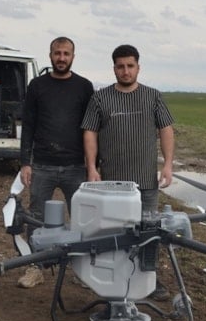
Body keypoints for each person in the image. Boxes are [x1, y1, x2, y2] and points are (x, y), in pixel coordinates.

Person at [81, 44, 175, 300]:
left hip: (146, 182)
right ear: (114, 69)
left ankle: (148, 280)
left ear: (138, 68)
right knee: (114, 232)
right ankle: (112, 278)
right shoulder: (100, 98)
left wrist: (168, 164)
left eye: (130, 66)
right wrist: (92, 167)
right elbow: (90, 132)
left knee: (148, 233)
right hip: (113, 185)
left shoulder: (153, 97)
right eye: (120, 66)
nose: (125, 71)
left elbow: (166, 129)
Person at [18, 36, 94, 288]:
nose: (61, 58)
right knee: (36, 218)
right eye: (57, 53)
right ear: (50, 55)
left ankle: (82, 269)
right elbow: (28, 125)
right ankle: (35, 267)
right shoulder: (37, 85)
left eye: (66, 53)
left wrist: (93, 166)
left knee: (82, 220)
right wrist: (25, 162)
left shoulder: (84, 87)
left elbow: (91, 129)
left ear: (73, 56)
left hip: (76, 167)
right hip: (42, 165)